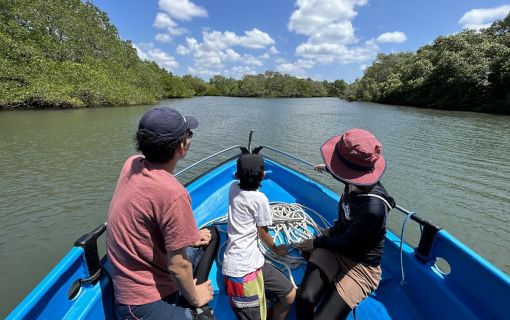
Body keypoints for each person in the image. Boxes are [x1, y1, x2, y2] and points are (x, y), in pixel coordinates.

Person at [106, 107, 219, 320]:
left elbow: (149, 213)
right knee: (206, 316)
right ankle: (194, 302)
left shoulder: (132, 163)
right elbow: (177, 266)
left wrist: (192, 235)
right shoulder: (173, 193)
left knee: (210, 235)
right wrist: (196, 297)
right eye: (188, 135)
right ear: (181, 147)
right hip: (140, 302)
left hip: (150, 271)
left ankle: (188, 297)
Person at [294, 128, 395, 320]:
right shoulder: (354, 181)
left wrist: (315, 243)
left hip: (360, 264)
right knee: (305, 299)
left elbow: (347, 244)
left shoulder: (374, 209)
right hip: (335, 243)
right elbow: (344, 174)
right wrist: (326, 168)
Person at [222, 151, 296, 320]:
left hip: (251, 262)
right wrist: (278, 250)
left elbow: (236, 177)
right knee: (289, 296)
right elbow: (263, 234)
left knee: (289, 293)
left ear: (238, 175)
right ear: (262, 175)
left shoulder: (233, 188)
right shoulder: (260, 199)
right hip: (242, 273)